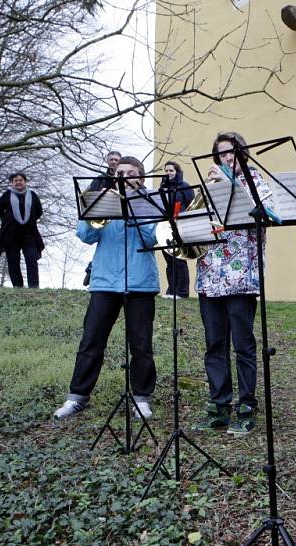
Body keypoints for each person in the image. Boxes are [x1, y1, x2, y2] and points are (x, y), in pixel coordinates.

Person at [54, 156, 160, 420]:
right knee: (91, 341)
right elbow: (86, 235)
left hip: (140, 282)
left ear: (141, 178)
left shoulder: (150, 200)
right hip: (104, 282)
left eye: (131, 173)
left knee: (141, 345)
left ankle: (141, 399)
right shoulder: (103, 197)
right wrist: (99, 208)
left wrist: (135, 207)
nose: (124, 176)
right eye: (120, 172)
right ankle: (77, 397)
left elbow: (153, 237)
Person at [194, 131, 272, 437]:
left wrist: (230, 185)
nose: (227, 158)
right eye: (222, 153)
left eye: (232, 152)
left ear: (243, 153)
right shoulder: (210, 184)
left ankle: (247, 405)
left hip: (241, 276)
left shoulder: (256, 182)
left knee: (243, 344)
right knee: (214, 344)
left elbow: (265, 213)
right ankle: (219, 405)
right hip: (210, 274)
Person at [0, 172, 45, 288]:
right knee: (13, 260)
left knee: (31, 259)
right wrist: (9, 219)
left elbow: (39, 211)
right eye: (15, 180)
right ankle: (17, 286)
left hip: (29, 233)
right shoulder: (6, 195)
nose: (18, 182)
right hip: (10, 234)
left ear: (25, 182)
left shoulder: (32, 195)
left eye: (21, 180)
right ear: (12, 183)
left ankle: (33, 286)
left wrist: (29, 219)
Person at [83, 151, 121, 286]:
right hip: (103, 214)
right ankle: (92, 270)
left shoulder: (123, 179)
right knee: (103, 247)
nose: (114, 162)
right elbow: (88, 196)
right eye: (112, 159)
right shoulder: (100, 178)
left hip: (120, 216)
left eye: (117, 160)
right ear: (107, 161)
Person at [159, 161, 195, 299]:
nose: (168, 173)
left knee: (179, 259)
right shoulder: (162, 187)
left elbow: (192, 205)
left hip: (180, 226)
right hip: (164, 227)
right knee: (169, 260)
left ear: (177, 172)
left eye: (171, 171)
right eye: (166, 171)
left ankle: (182, 292)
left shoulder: (184, 186)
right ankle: (171, 291)